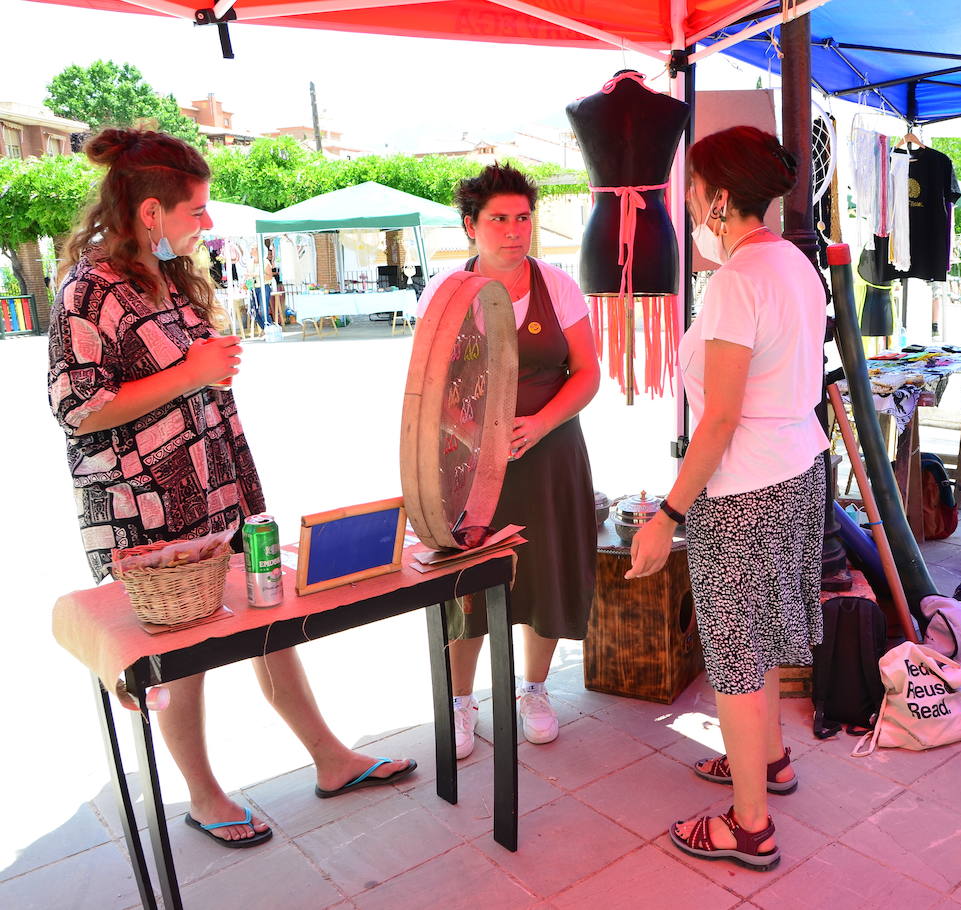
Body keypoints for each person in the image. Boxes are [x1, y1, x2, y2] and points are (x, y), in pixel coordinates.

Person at [47, 128, 414, 848]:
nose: (206, 222)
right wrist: (193, 370)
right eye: (197, 210)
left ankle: (332, 760)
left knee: (271, 623)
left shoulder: (167, 274)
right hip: (145, 509)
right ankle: (205, 796)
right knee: (188, 658)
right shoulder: (87, 290)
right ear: (150, 211)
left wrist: (207, 373)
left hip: (217, 488)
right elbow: (76, 407)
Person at [626, 126, 827, 872]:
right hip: (798, 467)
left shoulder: (739, 280)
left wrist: (668, 515)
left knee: (738, 656)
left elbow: (719, 417)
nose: (687, 202)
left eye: (691, 190)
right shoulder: (792, 262)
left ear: (717, 199)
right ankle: (768, 760)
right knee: (767, 633)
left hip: (745, 487)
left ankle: (750, 826)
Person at [430, 164, 599, 757]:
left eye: (523, 217)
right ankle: (458, 701)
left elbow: (586, 374)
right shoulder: (446, 292)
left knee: (545, 571)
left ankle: (534, 689)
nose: (513, 230)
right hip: (469, 467)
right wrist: (474, 437)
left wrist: (541, 422)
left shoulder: (559, 286)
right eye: (498, 219)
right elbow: (429, 386)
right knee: (466, 581)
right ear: (470, 226)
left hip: (549, 454)